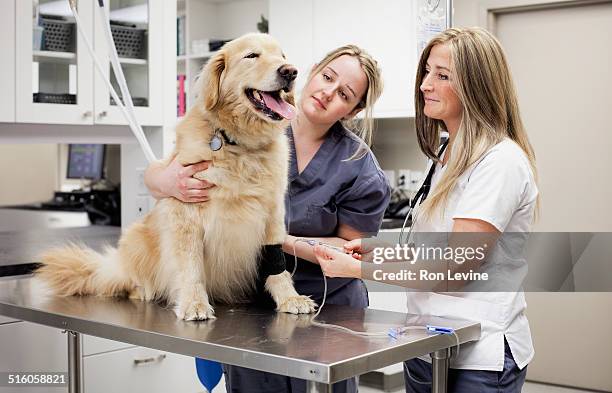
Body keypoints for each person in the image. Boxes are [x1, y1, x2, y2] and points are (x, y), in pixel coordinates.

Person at [144, 44, 391, 393]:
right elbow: (166, 168)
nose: (327, 93)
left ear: (353, 110)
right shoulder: (252, 117)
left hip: (328, 309)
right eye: (327, 77)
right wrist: (163, 180)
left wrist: (275, 239)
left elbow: (353, 252)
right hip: (253, 305)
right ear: (312, 69)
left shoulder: (359, 166)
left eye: (344, 94)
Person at [313, 27, 539, 393]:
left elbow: (456, 268)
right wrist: (380, 249)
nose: (425, 85)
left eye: (442, 75)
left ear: (476, 86)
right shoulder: (448, 155)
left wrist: (361, 269)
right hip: (428, 344)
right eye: (427, 72)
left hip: (478, 355)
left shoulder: (500, 162)